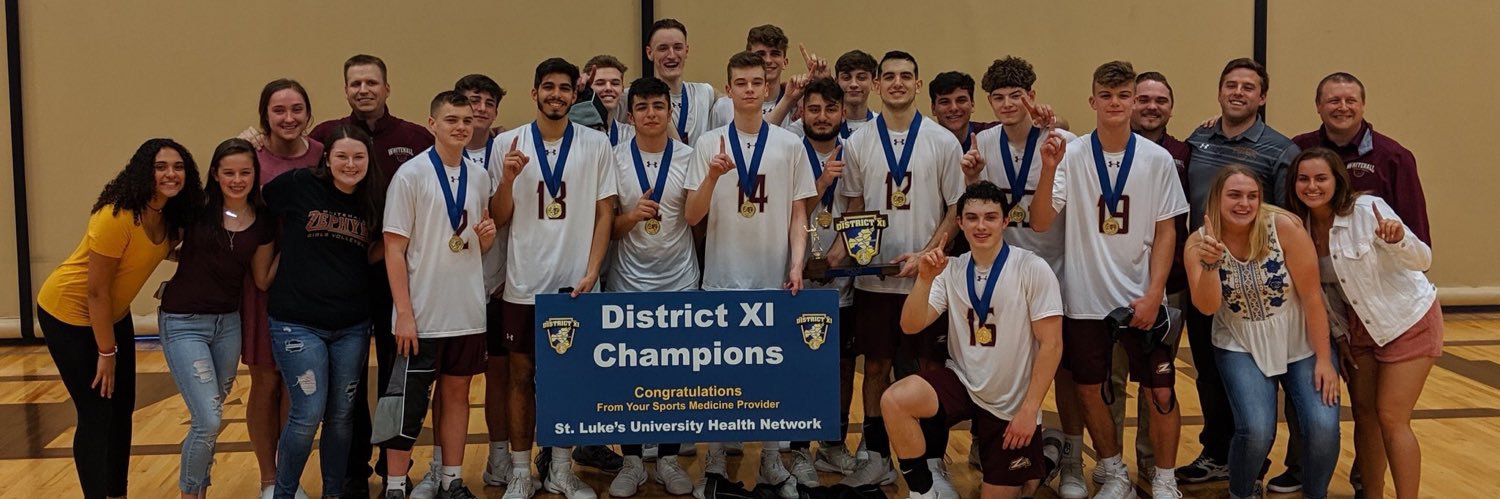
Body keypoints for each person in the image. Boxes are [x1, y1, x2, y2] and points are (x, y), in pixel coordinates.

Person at [1029, 60, 1188, 499]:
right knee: (1090, 389)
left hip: (1143, 297)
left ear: (1134, 101)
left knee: (1161, 392)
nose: (1115, 103)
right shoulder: (1071, 153)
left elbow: (1166, 231)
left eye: (1124, 95)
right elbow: (1041, 222)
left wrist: (1155, 293)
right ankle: (1114, 470)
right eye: (1107, 95)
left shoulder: (1157, 160)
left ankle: (1165, 479)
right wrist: (1046, 168)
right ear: (1092, 100)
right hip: (1085, 298)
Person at [36, 138, 203, 499]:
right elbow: (95, 292)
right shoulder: (117, 216)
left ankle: (117, 494)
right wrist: (106, 353)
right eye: (161, 166)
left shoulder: (171, 216)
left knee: (122, 408)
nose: (170, 174)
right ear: (144, 171)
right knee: (97, 413)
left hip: (114, 313)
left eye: (178, 167)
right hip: (69, 314)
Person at [685, 50, 816, 499]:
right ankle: (718, 456)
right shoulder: (707, 144)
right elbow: (691, 215)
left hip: (773, 277)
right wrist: (712, 178)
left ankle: (772, 459)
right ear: (728, 89)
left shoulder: (789, 144)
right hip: (722, 276)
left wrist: (796, 264)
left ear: (767, 88)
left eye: (756, 82)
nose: (748, 89)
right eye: (739, 82)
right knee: (722, 373)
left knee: (774, 372)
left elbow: (799, 214)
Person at [834, 50, 963, 497]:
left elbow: (955, 210)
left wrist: (928, 255)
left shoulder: (943, 141)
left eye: (906, 76)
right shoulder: (859, 142)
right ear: (875, 85)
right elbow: (852, 206)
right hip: (874, 278)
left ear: (917, 83)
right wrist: (834, 254)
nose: (896, 83)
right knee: (876, 367)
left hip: (928, 281)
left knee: (929, 367)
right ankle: (876, 459)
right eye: (888, 76)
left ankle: (932, 460)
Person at [490, 57, 619, 499]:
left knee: (571, 378)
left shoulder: (595, 143)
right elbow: (499, 217)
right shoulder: (507, 143)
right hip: (524, 282)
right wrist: (507, 178)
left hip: (577, 286)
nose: (557, 95)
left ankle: (561, 469)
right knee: (521, 377)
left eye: (565, 88)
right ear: (534, 92)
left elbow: (606, 212)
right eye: (548, 87)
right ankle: (522, 471)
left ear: (574, 95)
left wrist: (592, 271)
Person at [886, 180, 1064, 499]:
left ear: (1005, 221)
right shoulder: (950, 268)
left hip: (1011, 401)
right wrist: (924, 280)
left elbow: (1052, 345)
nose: (981, 225)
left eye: (990, 217)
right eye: (972, 217)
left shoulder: (1033, 268)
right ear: (960, 223)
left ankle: (1045, 460)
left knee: (1015, 491)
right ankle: (923, 493)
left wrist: (1029, 410)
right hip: (964, 382)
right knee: (895, 399)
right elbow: (910, 325)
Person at [1287, 148, 1441, 499]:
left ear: (1337, 181)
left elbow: (1423, 259)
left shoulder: (1365, 210)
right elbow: (1325, 296)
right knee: (1366, 417)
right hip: (1358, 331)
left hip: (1407, 320)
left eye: (1321, 178)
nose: (1312, 186)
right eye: (1304, 178)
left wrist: (1399, 238)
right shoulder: (1298, 226)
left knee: (1390, 416)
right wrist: (1340, 339)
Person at [1184, 165, 1341, 499]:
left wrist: (1325, 360)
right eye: (1235, 195)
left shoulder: (1283, 226)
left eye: (1252, 196)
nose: (1244, 203)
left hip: (1300, 339)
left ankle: (1317, 494)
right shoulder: (1198, 243)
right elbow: (1207, 307)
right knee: (1255, 431)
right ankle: (1241, 492)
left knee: (1323, 427)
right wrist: (1211, 265)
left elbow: (1313, 297)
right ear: (1217, 198)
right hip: (1239, 341)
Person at [1179, 58, 1301, 487]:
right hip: (1205, 270)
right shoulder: (1200, 138)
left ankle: (1256, 456)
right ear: (1218, 91)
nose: (1238, 93)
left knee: (1263, 375)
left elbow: (1288, 218)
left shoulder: (1281, 150)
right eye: (1230, 85)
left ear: (1262, 97)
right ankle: (1218, 453)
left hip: (1254, 283)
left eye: (1248, 87)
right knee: (1208, 373)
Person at [962, 55, 1078, 497]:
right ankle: (1000, 447)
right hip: (1001, 273)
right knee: (1000, 362)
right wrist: (972, 178)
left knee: (1060, 368)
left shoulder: (1062, 139)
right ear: (988, 101)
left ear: (1033, 94)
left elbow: (1044, 220)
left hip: (1053, 269)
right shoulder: (983, 141)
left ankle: (1069, 455)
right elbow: (978, 209)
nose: (1008, 104)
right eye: (999, 97)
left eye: (1017, 95)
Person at [375, 91, 498, 499]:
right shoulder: (410, 175)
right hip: (421, 315)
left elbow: (468, 242)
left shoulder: (479, 176)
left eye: (466, 120)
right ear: (432, 125)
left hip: (466, 311)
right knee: (406, 403)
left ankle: (451, 479)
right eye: (451, 120)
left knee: (458, 397)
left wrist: (485, 240)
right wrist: (404, 313)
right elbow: (393, 250)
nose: (461, 126)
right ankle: (394, 486)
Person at [262, 125, 386, 499]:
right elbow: (258, 205)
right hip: (297, 321)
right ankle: (284, 492)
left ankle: (334, 492)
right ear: (327, 159)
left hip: (351, 323)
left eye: (358, 156)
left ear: (368, 160)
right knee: (307, 412)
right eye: (342, 156)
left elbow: (372, 251)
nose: (350, 164)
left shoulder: (373, 200)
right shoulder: (299, 185)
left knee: (342, 415)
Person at [158, 138, 275, 498]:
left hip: (228, 324)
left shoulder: (262, 221)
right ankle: (190, 493)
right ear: (215, 174)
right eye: (229, 172)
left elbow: (261, 278)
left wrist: (298, 249)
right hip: (183, 322)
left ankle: (200, 488)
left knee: (210, 415)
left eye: (245, 172)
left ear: (255, 175)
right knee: (208, 419)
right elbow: (160, 243)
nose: (237, 179)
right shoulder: (196, 208)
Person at [605, 76, 701, 498]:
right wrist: (631, 217)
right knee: (628, 374)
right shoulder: (612, 158)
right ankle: (630, 461)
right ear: (630, 115)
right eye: (642, 107)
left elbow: (697, 220)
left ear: (669, 111)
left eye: (658, 106)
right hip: (627, 284)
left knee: (675, 373)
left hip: (679, 282)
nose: (650, 114)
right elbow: (606, 228)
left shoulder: (689, 155)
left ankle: (667, 459)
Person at [248, 78, 323, 499]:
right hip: (261, 284)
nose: (289, 118)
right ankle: (267, 479)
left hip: (308, 284)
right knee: (266, 381)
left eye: (296, 109)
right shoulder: (250, 158)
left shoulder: (322, 156)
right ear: (265, 117)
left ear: (308, 114)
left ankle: (288, 480)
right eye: (279, 110)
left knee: (296, 385)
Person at [785, 76, 860, 484]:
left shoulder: (856, 151)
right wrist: (822, 183)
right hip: (795, 276)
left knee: (843, 365)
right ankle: (796, 448)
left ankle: (832, 442)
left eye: (831, 109)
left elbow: (861, 204)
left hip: (840, 278)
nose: (822, 116)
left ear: (843, 113)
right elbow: (788, 212)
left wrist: (846, 244)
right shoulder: (788, 151)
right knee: (798, 361)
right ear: (802, 112)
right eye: (813, 109)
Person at [452, 73, 523, 492]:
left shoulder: (506, 152)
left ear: (496, 111)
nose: (479, 108)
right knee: (450, 382)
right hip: (447, 289)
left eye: (487, 102)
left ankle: (499, 455)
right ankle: (444, 464)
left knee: (500, 374)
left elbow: (510, 219)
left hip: (496, 285)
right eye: (471, 100)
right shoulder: (436, 155)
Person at [1291, 72, 1431, 245]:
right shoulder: (1298, 148)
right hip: (1313, 259)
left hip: (1374, 266)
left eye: (1351, 101)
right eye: (1334, 101)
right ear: (1318, 105)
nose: (1342, 107)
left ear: (1363, 105)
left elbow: (1416, 231)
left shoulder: (1394, 157)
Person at [711, 25, 803, 129]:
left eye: (775, 54)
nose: (768, 60)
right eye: (761, 54)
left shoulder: (798, 106)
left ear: (785, 62)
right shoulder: (724, 107)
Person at [929, 71, 996, 151]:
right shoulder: (923, 143)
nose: (954, 108)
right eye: (945, 102)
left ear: (972, 105)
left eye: (961, 100)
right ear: (933, 109)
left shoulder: (994, 135)